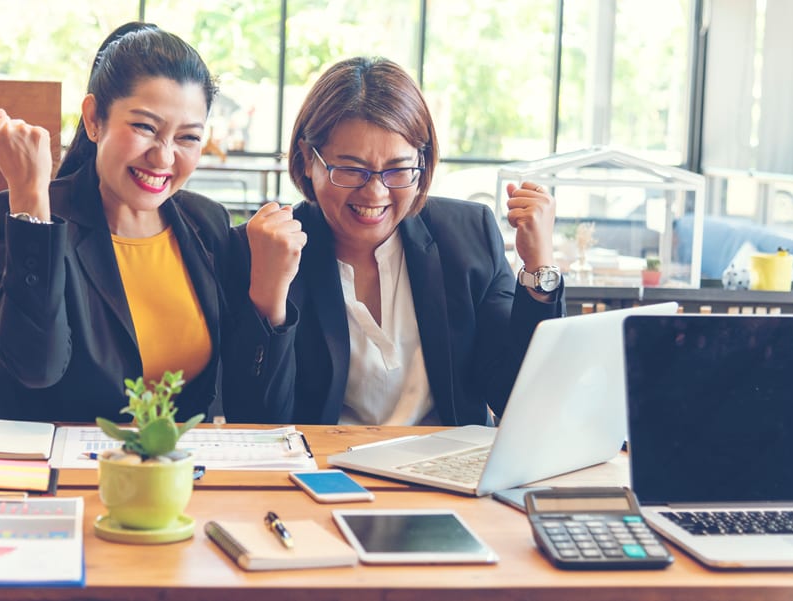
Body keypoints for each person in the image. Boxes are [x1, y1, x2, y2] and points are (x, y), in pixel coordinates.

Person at [228, 56, 564, 426]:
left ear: (422, 162)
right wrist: (270, 298)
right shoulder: (262, 249)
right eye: (351, 169)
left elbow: (517, 397)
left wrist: (539, 270)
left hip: (441, 474)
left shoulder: (468, 236)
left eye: (398, 170)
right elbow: (255, 423)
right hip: (323, 475)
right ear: (309, 158)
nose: (375, 192)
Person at [0, 23, 266, 422]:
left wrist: (273, 296)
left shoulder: (207, 225)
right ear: (94, 119)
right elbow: (36, 368)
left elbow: (253, 401)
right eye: (145, 127)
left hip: (162, 473)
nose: (163, 158)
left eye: (188, 138)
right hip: (35, 472)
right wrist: (28, 196)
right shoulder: (17, 215)